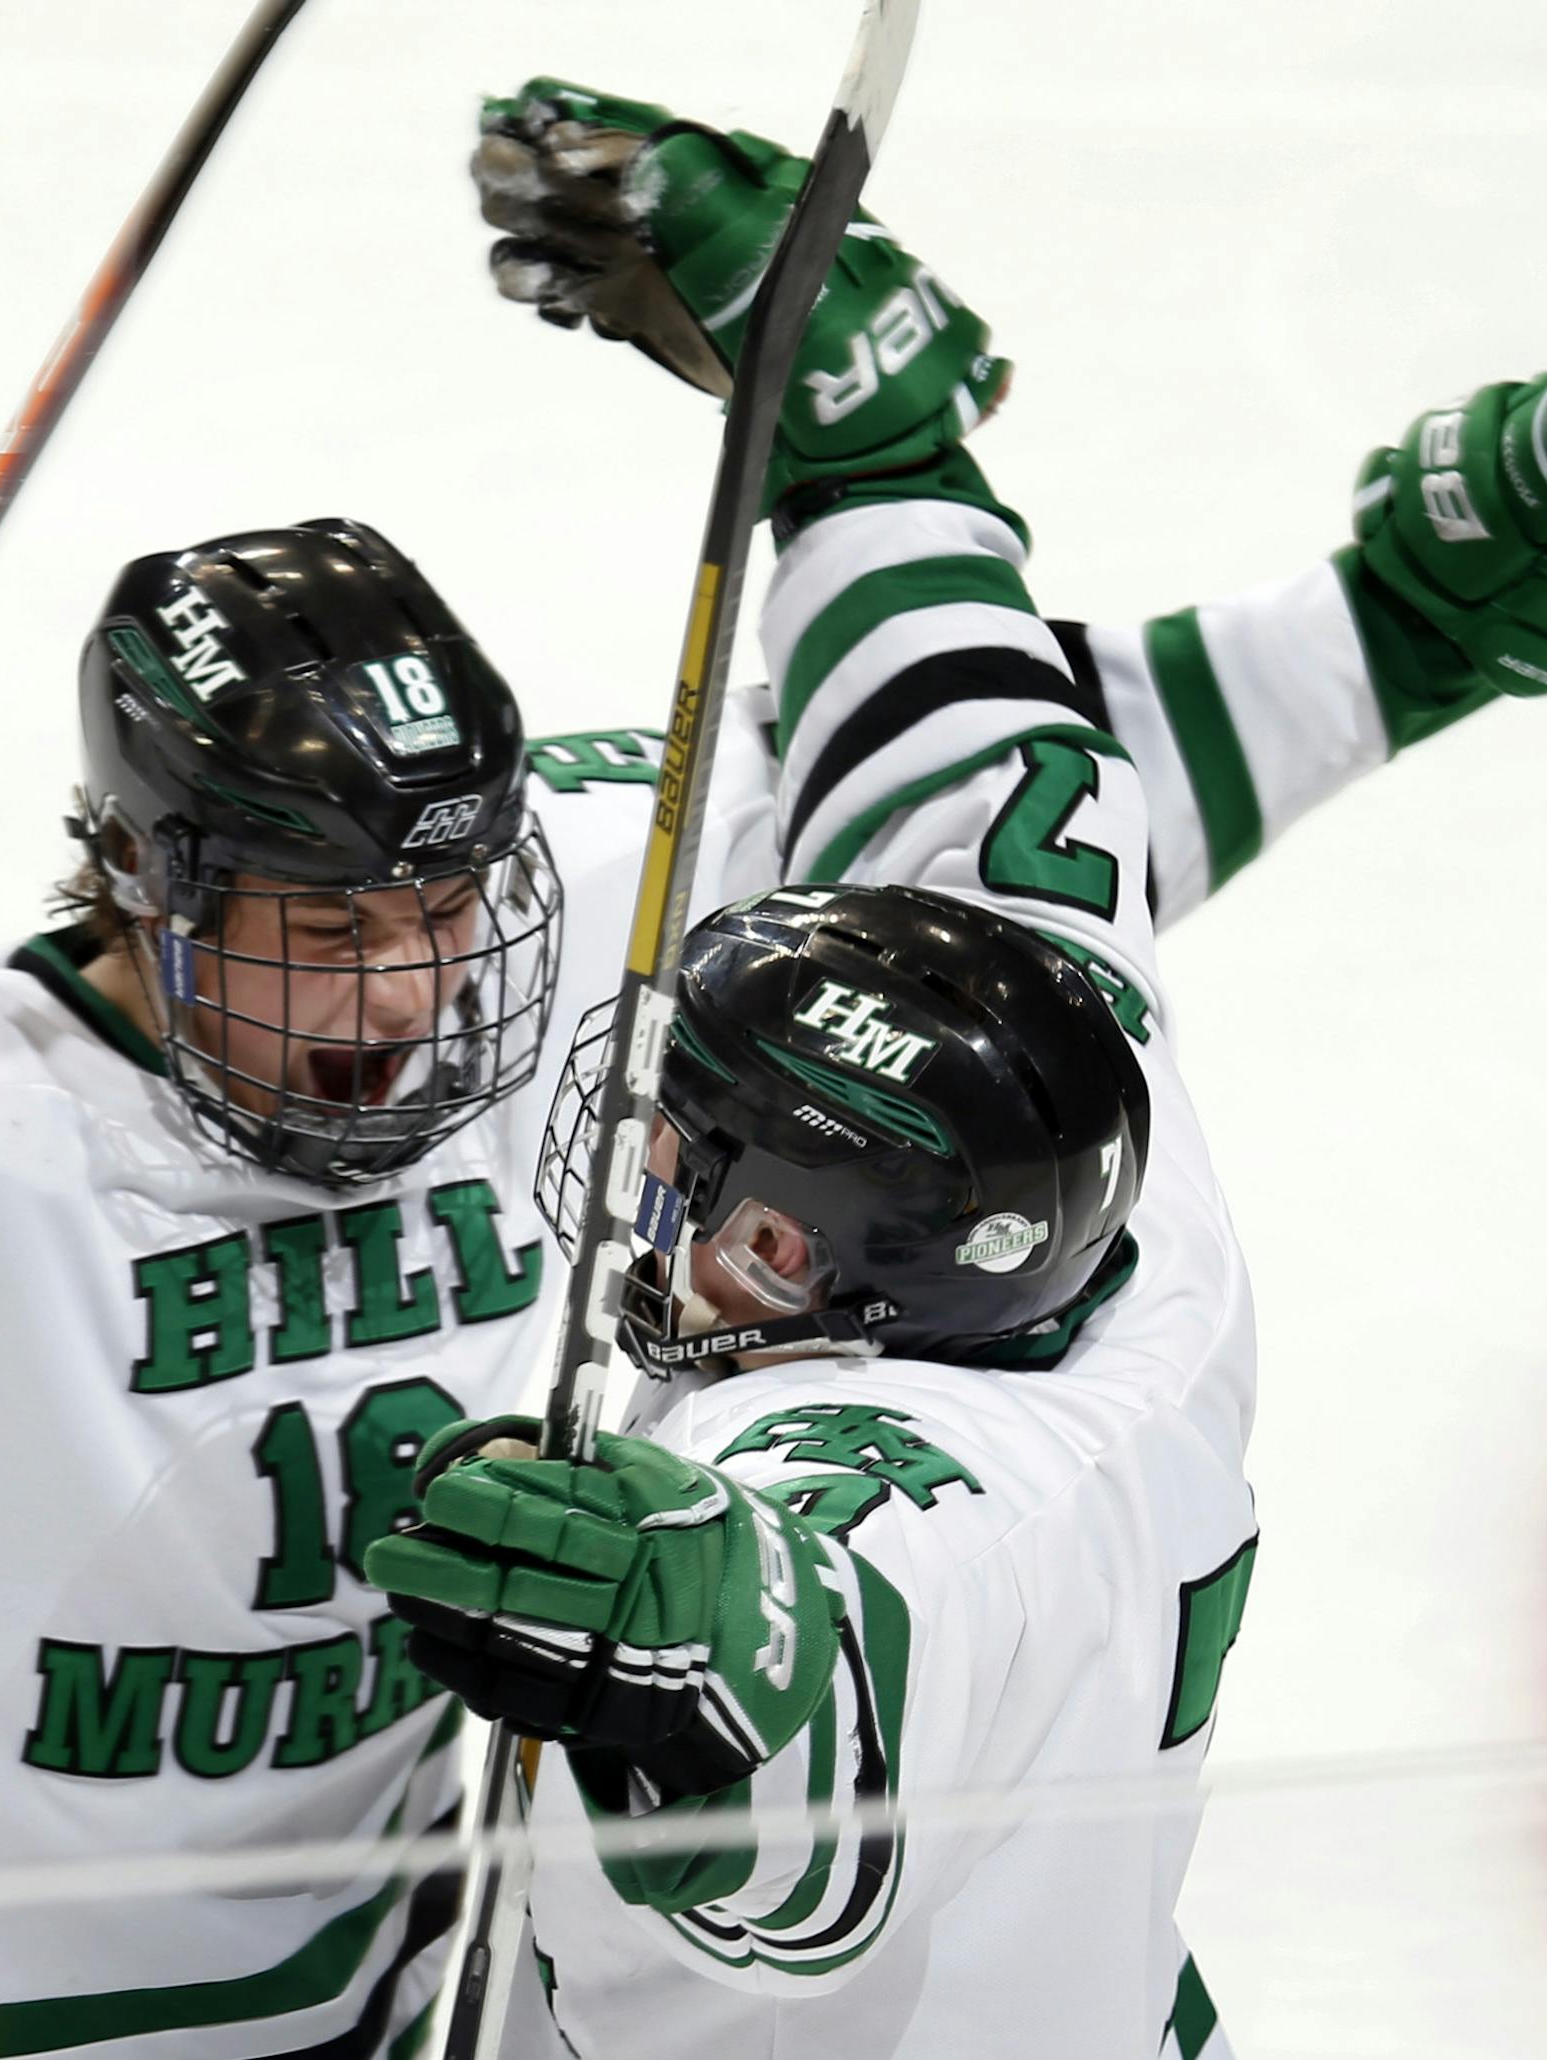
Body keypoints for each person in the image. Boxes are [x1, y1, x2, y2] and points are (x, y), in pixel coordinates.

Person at [0, 70, 1541, 2060]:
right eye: (326, 930)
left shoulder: (597, 903)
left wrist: (1397, 620)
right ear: (142, 879)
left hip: (420, 1997)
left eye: (447, 907)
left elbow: (1003, 858)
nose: (410, 991)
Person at [362, 79, 1547, 2060]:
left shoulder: (919, 1482)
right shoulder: (1093, 1174)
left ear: (828, 1270)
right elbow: (994, 794)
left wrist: (687, 1649)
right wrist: (867, 452)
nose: (644, 1175)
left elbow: (820, 1671)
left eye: (701, 1174)